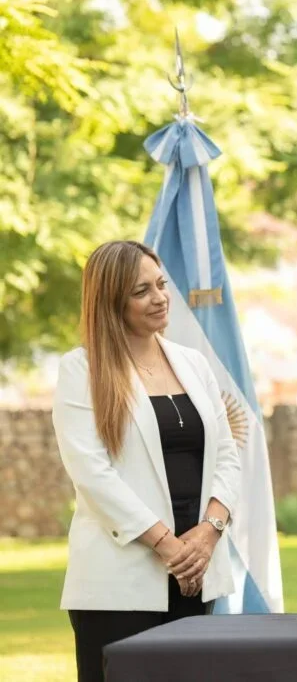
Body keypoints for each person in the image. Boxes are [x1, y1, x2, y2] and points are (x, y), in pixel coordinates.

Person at [52, 241, 241, 681]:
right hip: (119, 581)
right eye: (141, 291)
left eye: (160, 284)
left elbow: (227, 456)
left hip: (197, 572)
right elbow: (92, 474)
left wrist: (208, 534)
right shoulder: (81, 370)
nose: (159, 298)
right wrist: (169, 547)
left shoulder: (193, 363)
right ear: (111, 301)